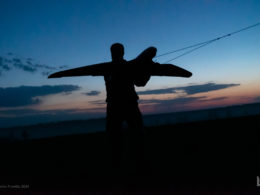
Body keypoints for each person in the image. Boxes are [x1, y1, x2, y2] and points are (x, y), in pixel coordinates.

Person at [105, 43, 147, 172]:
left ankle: (140, 164)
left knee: (137, 135)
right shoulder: (106, 68)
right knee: (114, 138)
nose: (115, 55)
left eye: (117, 52)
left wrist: (147, 71)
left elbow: (141, 82)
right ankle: (117, 165)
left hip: (129, 104)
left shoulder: (130, 66)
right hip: (114, 106)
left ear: (122, 53)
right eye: (113, 52)